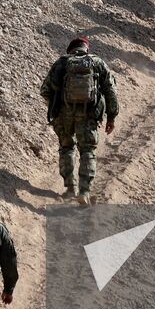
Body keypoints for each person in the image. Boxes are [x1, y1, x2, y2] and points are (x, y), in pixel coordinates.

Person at [39, 37, 119, 204]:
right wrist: (111, 116)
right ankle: (84, 192)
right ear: (86, 49)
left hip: (64, 115)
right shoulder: (98, 63)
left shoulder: (61, 62)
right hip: (88, 115)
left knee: (66, 147)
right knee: (87, 151)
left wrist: (56, 107)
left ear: (71, 50)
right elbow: (111, 91)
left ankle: (70, 188)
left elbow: (45, 90)